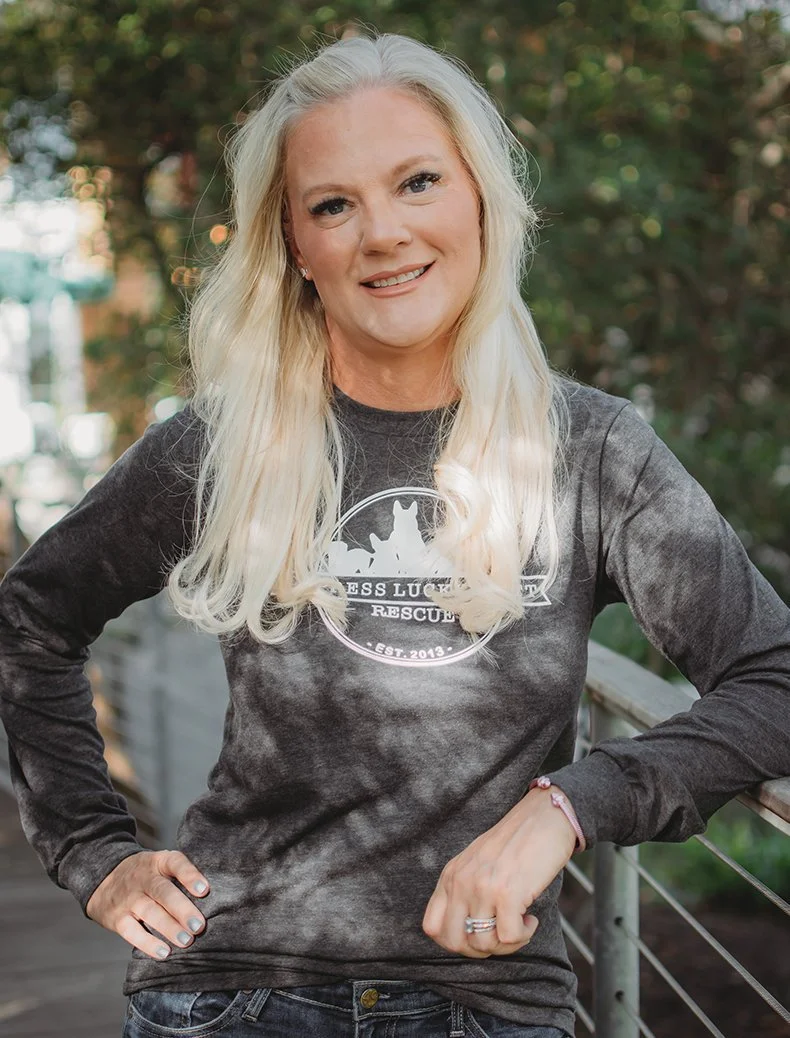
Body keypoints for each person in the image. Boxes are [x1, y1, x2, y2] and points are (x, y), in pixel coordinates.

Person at [0, 30, 788, 1038]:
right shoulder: (224, 446)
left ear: (477, 199)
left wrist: (570, 805)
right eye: (334, 203)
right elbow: (32, 614)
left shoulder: (591, 450)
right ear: (294, 243)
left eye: (417, 182)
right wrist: (91, 851)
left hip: (482, 1000)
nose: (381, 233)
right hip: (233, 989)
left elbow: (773, 676)